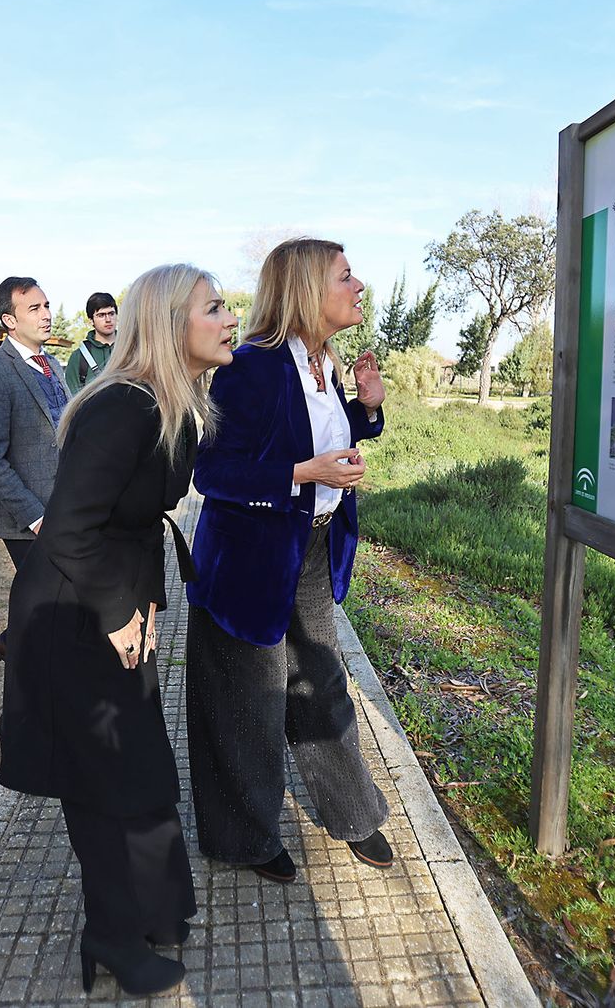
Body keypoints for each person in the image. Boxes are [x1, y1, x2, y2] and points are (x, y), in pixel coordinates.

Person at [0, 263, 237, 997]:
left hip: (113, 597)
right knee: (103, 779)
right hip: (73, 613)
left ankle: (157, 908)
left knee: (138, 766)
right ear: (169, 323)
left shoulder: (174, 401)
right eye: (215, 307)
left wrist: (148, 601)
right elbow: (69, 529)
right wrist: (116, 612)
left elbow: (134, 524)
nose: (231, 318)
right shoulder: (123, 406)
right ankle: (109, 933)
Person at [185, 237, 393, 885]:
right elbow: (212, 472)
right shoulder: (251, 366)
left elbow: (314, 435)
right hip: (247, 562)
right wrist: (304, 473)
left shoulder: (324, 361)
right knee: (251, 700)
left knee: (320, 681)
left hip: (312, 547)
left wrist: (366, 409)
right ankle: (244, 836)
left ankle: (352, 812)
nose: (358, 286)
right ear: (306, 290)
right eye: (345, 276)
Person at [0, 276, 69, 660]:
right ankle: (17, 654)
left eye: (47, 305)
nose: (46, 315)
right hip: (26, 516)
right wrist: (35, 518)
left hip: (61, 505)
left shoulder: (52, 364)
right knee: (50, 598)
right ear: (9, 321)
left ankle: (18, 649)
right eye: (34, 308)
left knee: (53, 599)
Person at [63, 291, 118, 393]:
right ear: (91, 321)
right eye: (101, 315)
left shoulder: (132, 349)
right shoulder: (78, 357)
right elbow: (72, 398)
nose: (108, 319)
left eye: (111, 314)